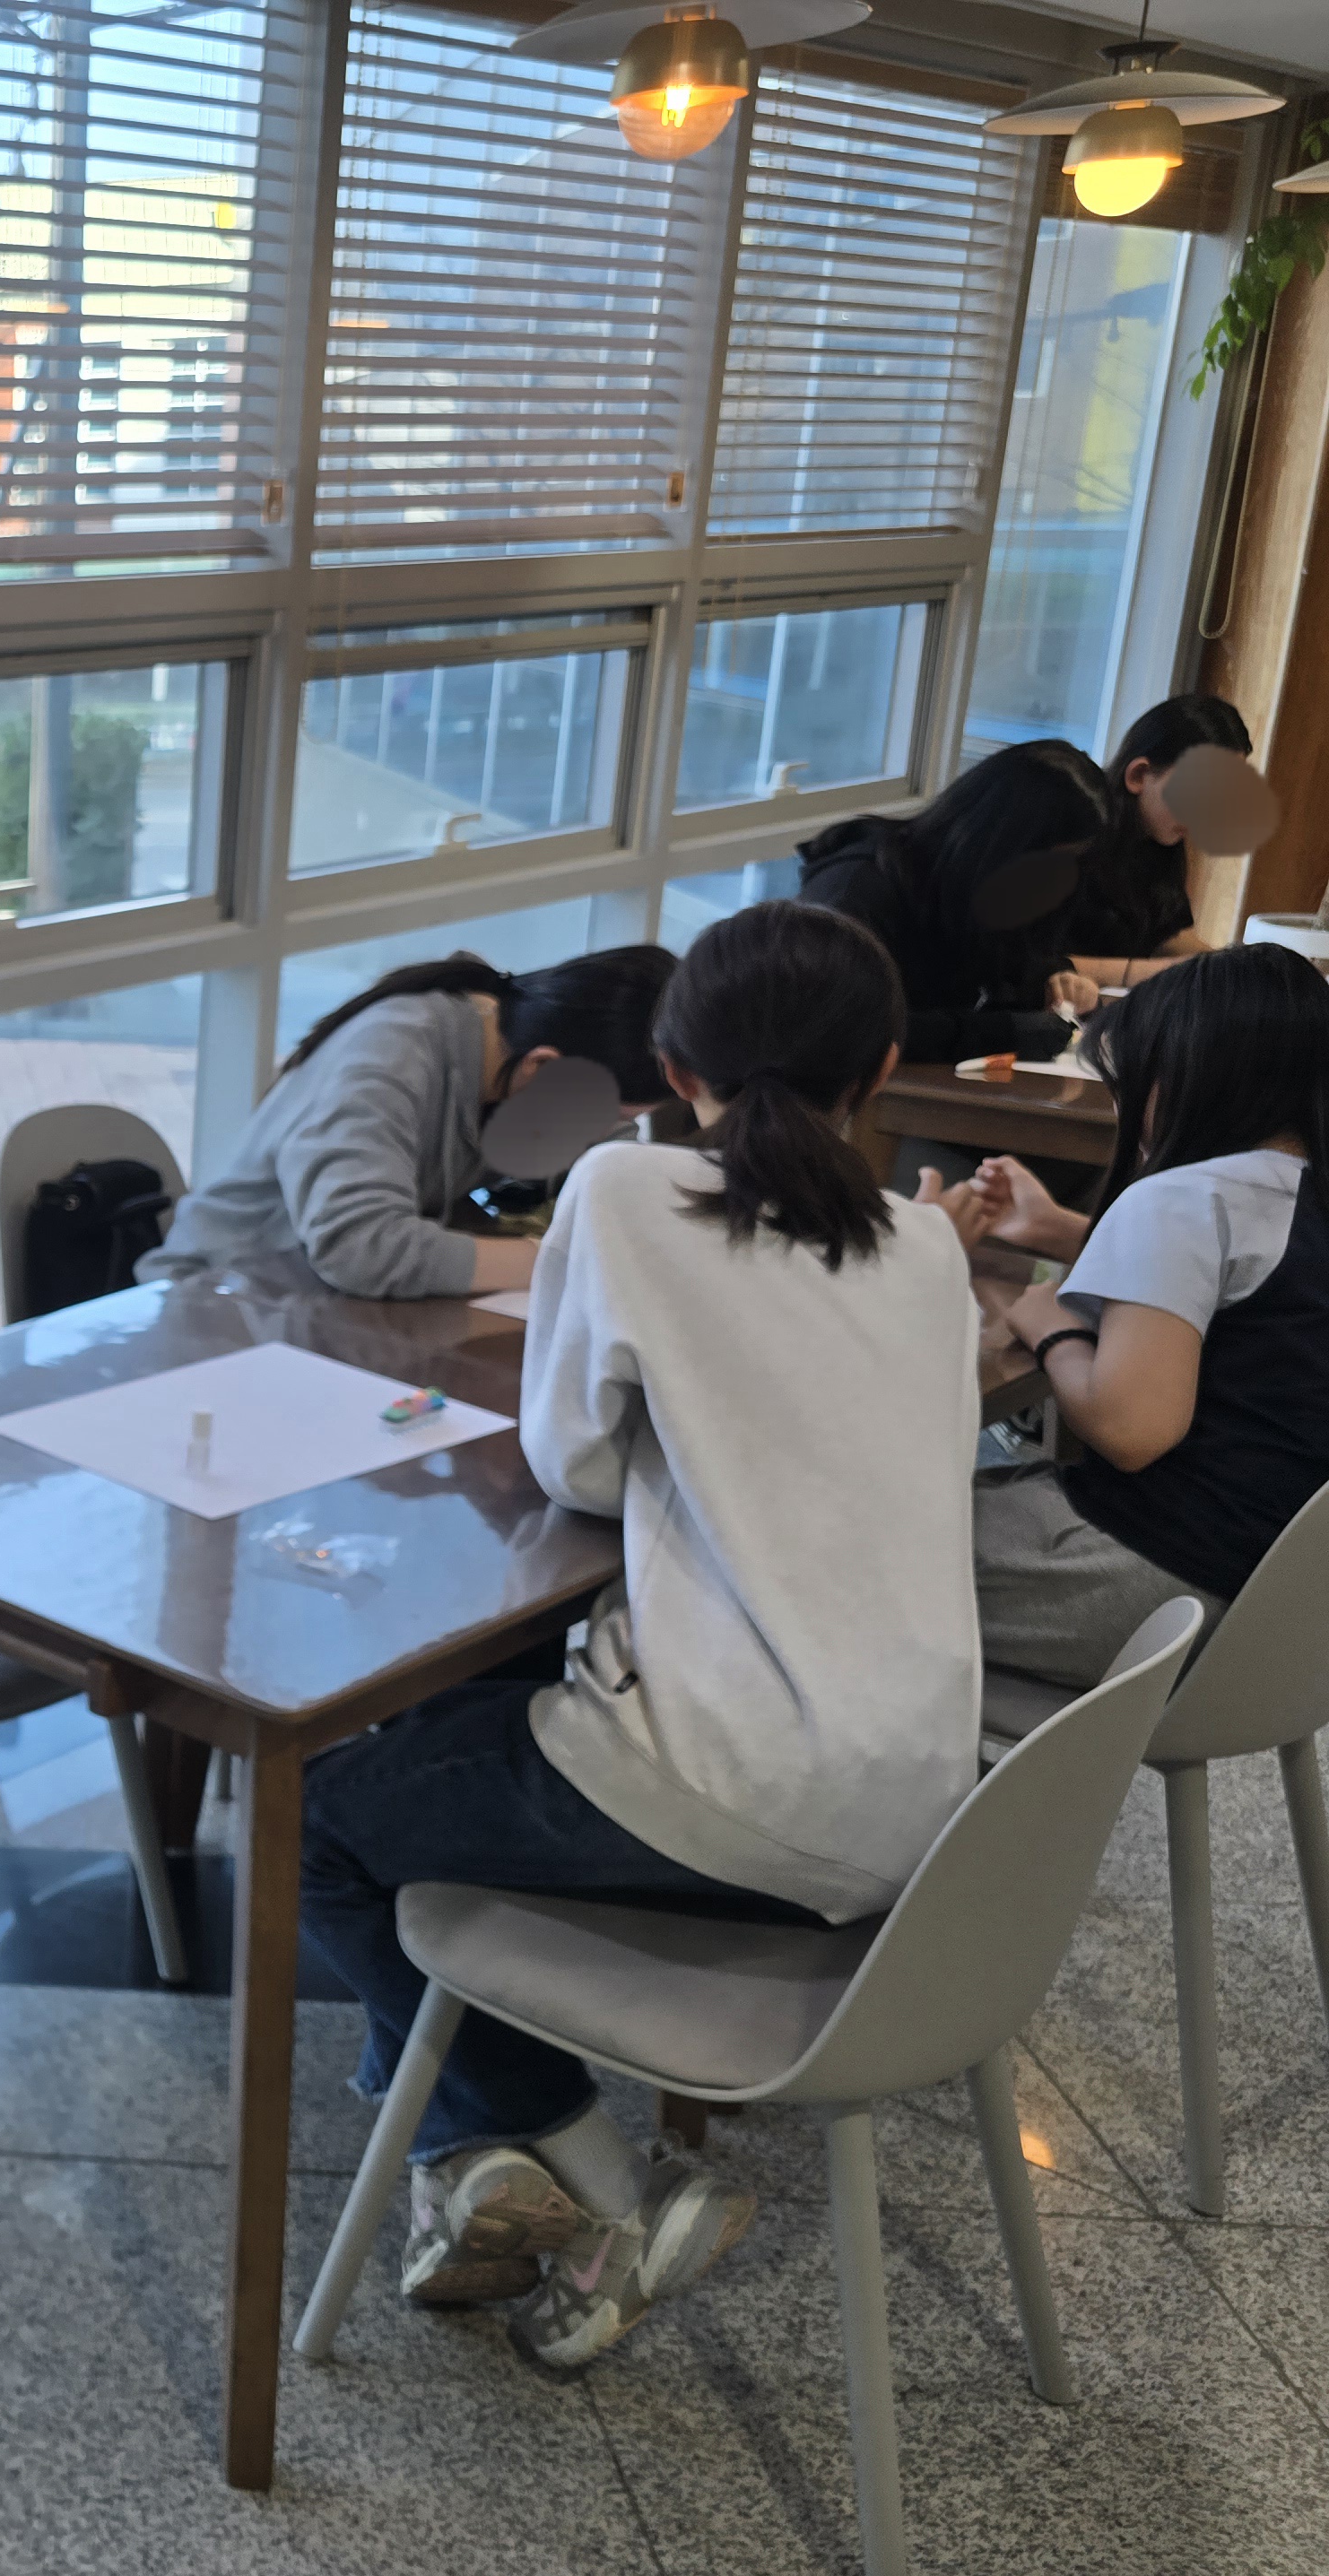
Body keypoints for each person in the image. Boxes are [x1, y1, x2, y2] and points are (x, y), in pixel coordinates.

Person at [300, 902, 981, 2369]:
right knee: (451, 1748)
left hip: (734, 1791)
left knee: (319, 1816)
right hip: (930, 1820)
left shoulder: (621, 1190)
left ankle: (588, 2180)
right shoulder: (928, 1244)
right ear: (883, 1068)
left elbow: (575, 1467)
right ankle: (467, 2165)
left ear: (673, 1072)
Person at [933, 943, 1329, 1687]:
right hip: (1286, 1623)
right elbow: (1235, 1294)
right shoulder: (1297, 1192)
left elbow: (1130, 1429)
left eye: (1126, 1087)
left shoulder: (1186, 1196)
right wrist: (1059, 1229)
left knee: (846, 1551)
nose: (1121, 1111)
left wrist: (1049, 1328)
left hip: (1157, 1591)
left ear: (1188, 1077)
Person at [135, 946, 678, 1298]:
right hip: (219, 1301)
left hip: (330, 1312)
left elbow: (611, 1170)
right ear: (543, 1068)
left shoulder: (513, 1053)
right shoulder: (389, 1058)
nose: (611, 1131)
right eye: (608, 1116)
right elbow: (360, 1246)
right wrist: (557, 1263)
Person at [799, 739, 1117, 1065]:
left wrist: (1051, 981)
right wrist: (1002, 1034)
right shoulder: (858, 892)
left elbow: (1000, 968)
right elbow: (847, 1031)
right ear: (1000, 844)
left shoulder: (968, 887)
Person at [1063, 693, 1255, 992]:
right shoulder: (1073, 831)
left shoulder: (1158, 839)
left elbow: (1168, 934)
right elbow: (1033, 964)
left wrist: (1233, 967)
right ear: (1139, 775)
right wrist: (1157, 971)